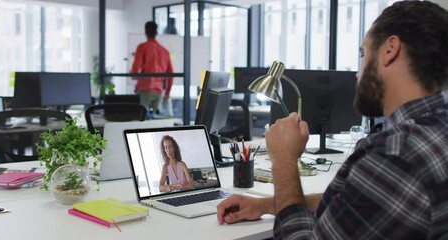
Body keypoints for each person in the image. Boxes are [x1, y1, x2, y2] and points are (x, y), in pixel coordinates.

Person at [217, 1, 448, 239]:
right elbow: (351, 205)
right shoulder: (435, 131)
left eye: (363, 53)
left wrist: (284, 160)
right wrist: (268, 205)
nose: (358, 73)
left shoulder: (395, 154)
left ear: (390, 49)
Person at [131, 21, 173, 115]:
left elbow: (135, 69)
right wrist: (167, 93)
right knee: (155, 122)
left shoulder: (142, 47)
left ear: (146, 32)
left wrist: (134, 75)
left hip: (144, 90)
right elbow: (171, 75)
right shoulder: (165, 51)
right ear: (156, 33)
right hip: (158, 91)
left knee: (141, 119)